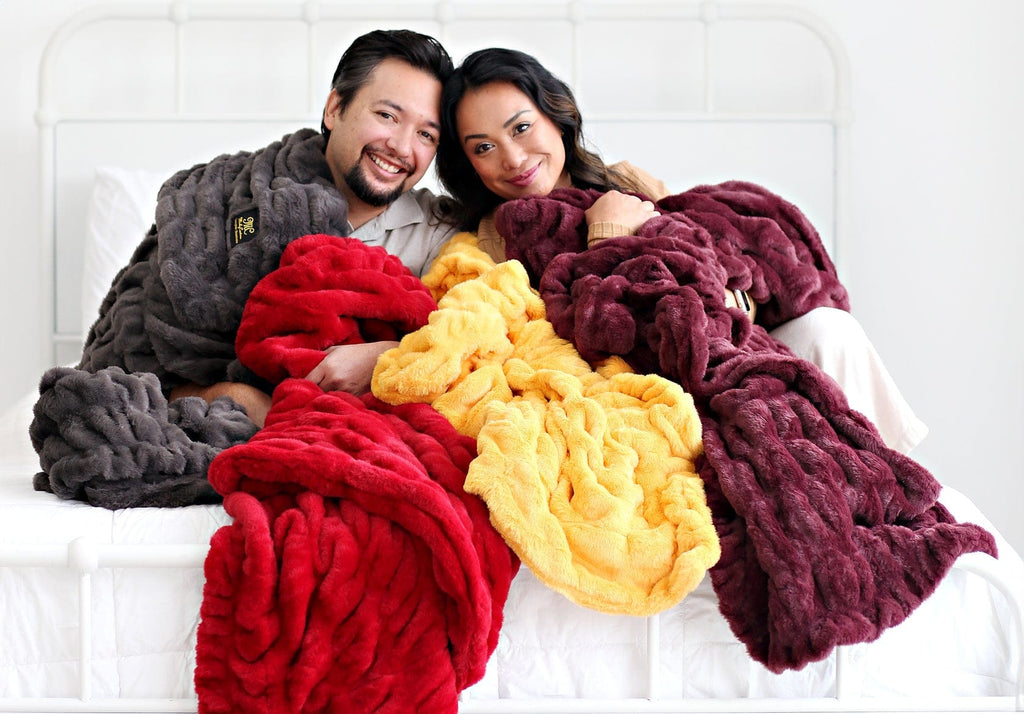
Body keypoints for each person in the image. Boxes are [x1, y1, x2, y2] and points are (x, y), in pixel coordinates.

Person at [435, 47, 927, 454]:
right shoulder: (490, 241)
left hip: (727, 348)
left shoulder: (629, 183)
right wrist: (607, 236)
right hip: (646, 389)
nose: (513, 158)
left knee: (828, 328)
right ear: (470, 165)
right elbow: (575, 345)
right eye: (483, 147)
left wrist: (737, 294)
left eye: (521, 128)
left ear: (555, 116)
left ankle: (896, 479)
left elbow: (706, 266)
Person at [168, 29, 460, 426]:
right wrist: (240, 399)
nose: (401, 147)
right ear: (335, 109)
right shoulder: (227, 200)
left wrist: (387, 355)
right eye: (387, 116)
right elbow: (151, 370)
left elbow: (476, 348)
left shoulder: (441, 235)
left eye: (426, 134)